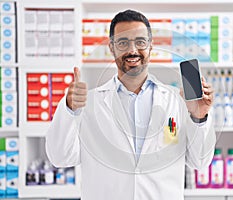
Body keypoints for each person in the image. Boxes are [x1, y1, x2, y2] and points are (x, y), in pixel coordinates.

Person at [46, 9, 216, 200]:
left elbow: (200, 161)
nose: (132, 50)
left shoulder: (177, 101)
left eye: (140, 42)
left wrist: (199, 117)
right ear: (112, 47)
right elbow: (59, 157)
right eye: (123, 42)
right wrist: (69, 108)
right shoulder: (89, 103)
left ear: (150, 47)